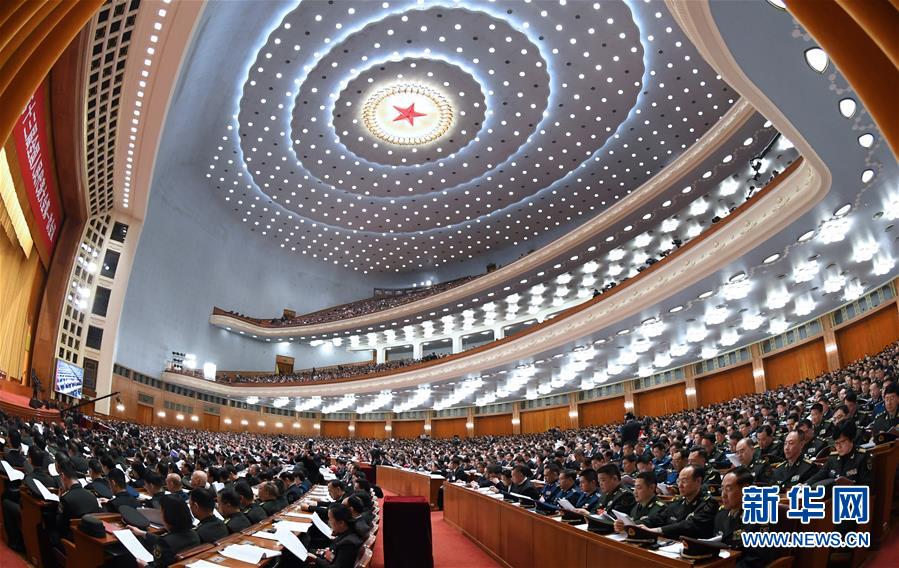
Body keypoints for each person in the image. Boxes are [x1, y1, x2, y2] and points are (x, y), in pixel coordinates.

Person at [713, 467, 776, 568]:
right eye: (722, 489)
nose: (723, 495)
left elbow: (756, 559)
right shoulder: (721, 514)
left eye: (728, 489)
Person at [642, 466, 717, 538]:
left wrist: (658, 530)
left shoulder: (709, 503)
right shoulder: (678, 501)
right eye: (678, 481)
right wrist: (640, 524)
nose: (680, 485)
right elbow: (659, 517)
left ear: (698, 481)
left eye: (684, 481)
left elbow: (688, 526)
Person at [129, 495, 201, 568]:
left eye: (161, 511)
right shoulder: (194, 533)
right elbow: (170, 542)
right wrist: (143, 533)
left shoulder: (164, 543)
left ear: (167, 515)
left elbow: (165, 544)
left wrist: (145, 566)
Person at [807, 421, 872, 486]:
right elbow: (818, 476)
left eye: (842, 442)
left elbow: (868, 486)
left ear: (851, 439)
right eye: (836, 443)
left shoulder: (862, 457)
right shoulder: (833, 457)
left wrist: (850, 485)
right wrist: (805, 485)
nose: (838, 447)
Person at [307, 504, 363, 568]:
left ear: (341, 523)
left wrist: (316, 559)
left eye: (330, 519)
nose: (329, 522)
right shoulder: (347, 532)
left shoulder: (348, 544)